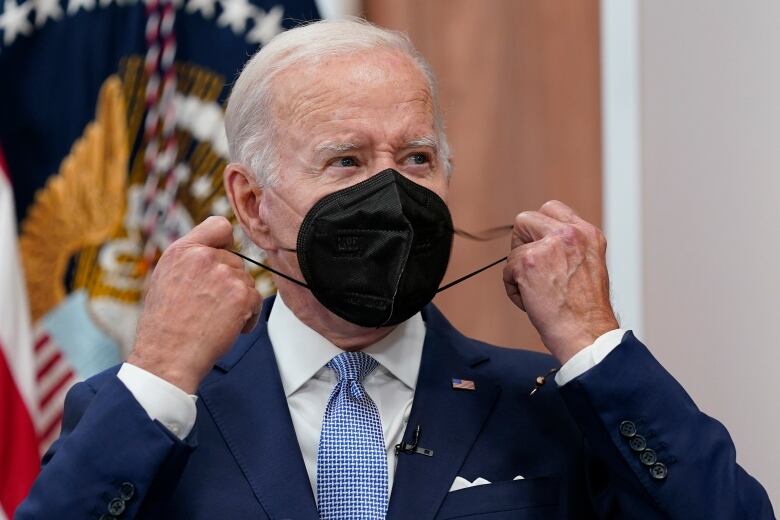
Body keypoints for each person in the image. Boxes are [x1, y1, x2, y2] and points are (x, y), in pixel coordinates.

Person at [17, 18, 774, 520]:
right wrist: (156, 371)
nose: (393, 193)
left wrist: (593, 343)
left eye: (416, 158)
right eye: (345, 161)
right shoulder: (153, 409)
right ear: (251, 203)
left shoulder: (549, 404)